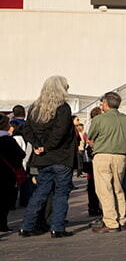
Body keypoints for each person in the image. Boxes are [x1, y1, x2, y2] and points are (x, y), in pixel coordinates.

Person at [18, 76, 78, 237]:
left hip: (43, 158)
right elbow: (60, 132)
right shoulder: (63, 108)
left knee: (40, 192)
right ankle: (57, 227)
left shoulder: (35, 108)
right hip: (61, 157)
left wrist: (38, 145)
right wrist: (45, 146)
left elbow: (26, 129)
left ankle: (26, 226)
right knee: (60, 193)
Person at [87, 91, 126, 233]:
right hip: (121, 156)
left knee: (104, 189)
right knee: (118, 189)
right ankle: (121, 218)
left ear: (105, 104)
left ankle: (111, 221)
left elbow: (90, 138)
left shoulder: (99, 119)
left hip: (103, 155)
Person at [0, 114, 25, 232]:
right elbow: (21, 154)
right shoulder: (8, 140)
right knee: (4, 200)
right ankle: (2, 225)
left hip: (5, 172)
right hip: (6, 173)